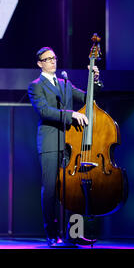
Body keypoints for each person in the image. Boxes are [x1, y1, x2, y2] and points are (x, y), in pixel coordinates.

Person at [28, 47, 102, 247]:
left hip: (70, 143)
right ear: (39, 63)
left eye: (54, 57)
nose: (52, 61)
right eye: (48, 59)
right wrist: (71, 114)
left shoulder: (65, 83)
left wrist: (94, 79)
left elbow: (88, 98)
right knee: (51, 189)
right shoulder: (36, 85)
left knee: (73, 190)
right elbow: (44, 111)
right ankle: (52, 234)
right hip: (51, 142)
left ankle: (74, 233)